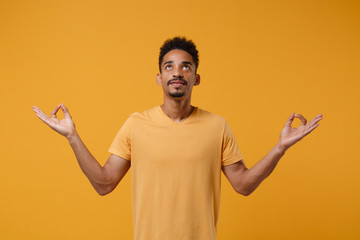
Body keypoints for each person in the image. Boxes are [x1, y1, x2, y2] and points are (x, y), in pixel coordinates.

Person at [32, 36, 323, 240]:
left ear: (196, 77)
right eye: (169, 66)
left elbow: (243, 185)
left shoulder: (217, 126)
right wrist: (72, 137)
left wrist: (280, 147)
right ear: (159, 77)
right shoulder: (136, 124)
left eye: (186, 66)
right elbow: (104, 183)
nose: (177, 72)